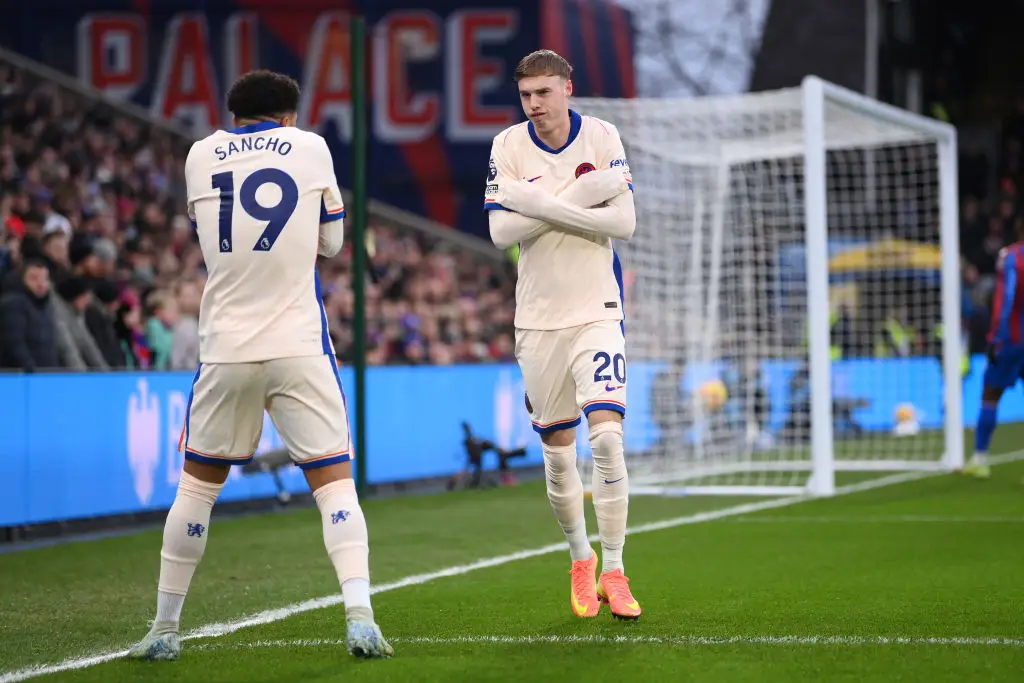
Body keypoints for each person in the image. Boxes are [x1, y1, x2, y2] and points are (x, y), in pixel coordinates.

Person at [129, 70, 392, 661]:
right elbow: (330, 244)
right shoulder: (311, 148)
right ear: (290, 115)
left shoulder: (201, 155)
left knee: (196, 490)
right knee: (333, 485)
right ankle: (360, 617)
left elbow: (207, 233)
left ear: (234, 113)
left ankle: (164, 629)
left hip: (225, 346)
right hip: (298, 342)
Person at [485, 50, 640, 620]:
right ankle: (581, 561)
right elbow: (502, 231)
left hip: (598, 308)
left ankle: (617, 569)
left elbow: (624, 223)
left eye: (544, 93)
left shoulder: (602, 135)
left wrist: (540, 203)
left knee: (607, 441)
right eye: (527, 96)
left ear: (567, 88)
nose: (535, 105)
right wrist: (581, 196)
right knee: (558, 456)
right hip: (537, 319)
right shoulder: (508, 145)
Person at [966, 237, 1024, 479]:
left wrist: (995, 337)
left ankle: (980, 459)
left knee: (990, 395)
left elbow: (1006, 297)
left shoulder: (1012, 256)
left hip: (1011, 338)